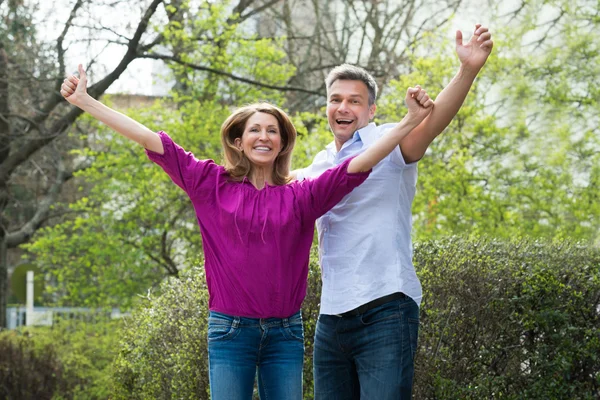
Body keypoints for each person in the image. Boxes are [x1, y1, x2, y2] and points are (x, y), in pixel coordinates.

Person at [60, 64, 434, 400]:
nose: (263, 136)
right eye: (254, 129)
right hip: (229, 332)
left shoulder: (301, 195)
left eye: (272, 130)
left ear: (282, 143)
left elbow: (357, 166)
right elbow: (150, 139)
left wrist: (407, 122)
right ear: (238, 141)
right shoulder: (210, 183)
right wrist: (86, 102)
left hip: (286, 336)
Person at [293, 24, 494, 399]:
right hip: (330, 320)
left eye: (354, 100)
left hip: (385, 309)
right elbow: (265, 188)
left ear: (371, 110)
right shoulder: (316, 167)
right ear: (326, 108)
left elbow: (432, 123)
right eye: (335, 99)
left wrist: (467, 71)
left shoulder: (388, 142)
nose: (343, 107)